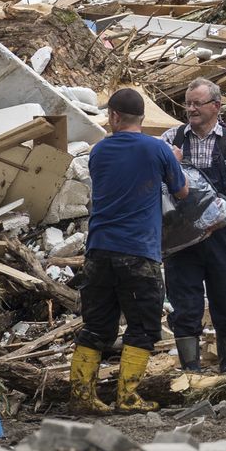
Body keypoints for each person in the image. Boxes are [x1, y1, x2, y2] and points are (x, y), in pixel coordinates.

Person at [68, 88, 188, 413]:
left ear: (115, 117)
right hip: (139, 253)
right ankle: (128, 396)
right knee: (144, 326)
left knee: (96, 326)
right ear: (142, 118)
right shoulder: (158, 150)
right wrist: (173, 162)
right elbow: (182, 191)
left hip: (98, 250)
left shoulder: (98, 151)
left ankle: (81, 396)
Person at [164, 78, 226, 373]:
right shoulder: (172, 139)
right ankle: (191, 371)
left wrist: (223, 214)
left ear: (216, 106)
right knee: (184, 303)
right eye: (187, 103)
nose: (190, 109)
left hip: (220, 235)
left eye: (196, 104)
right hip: (180, 239)